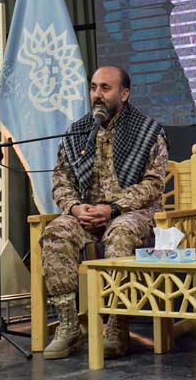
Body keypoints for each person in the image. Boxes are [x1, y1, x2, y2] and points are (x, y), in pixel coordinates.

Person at [40, 65, 168, 360]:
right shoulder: (78, 131)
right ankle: (68, 324)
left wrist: (113, 209)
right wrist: (74, 207)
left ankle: (117, 324)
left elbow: (153, 184)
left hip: (131, 212)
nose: (97, 94)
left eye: (105, 88)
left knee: (120, 233)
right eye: (93, 87)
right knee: (56, 232)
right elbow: (60, 180)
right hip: (87, 214)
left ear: (124, 94)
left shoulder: (148, 132)